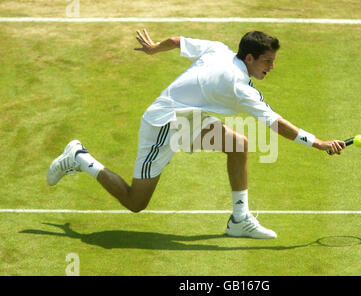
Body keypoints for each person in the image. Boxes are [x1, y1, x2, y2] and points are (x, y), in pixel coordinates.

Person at [47, 30, 345, 239]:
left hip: (184, 118)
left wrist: (154, 49)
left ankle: (239, 220)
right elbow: (275, 123)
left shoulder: (219, 49)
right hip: (164, 124)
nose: (272, 67)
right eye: (268, 61)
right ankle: (80, 157)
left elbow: (177, 41)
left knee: (239, 144)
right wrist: (317, 142)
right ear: (251, 58)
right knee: (135, 202)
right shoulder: (239, 87)